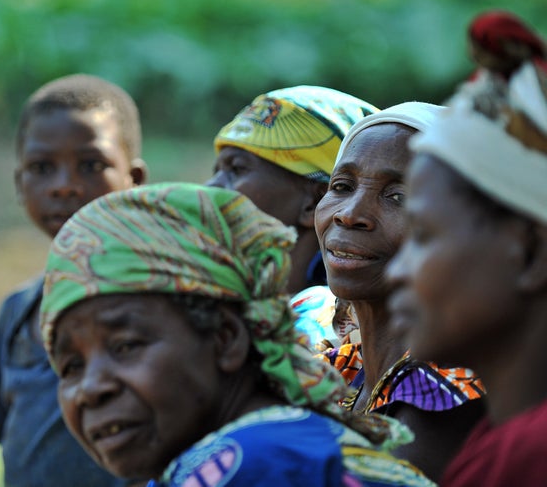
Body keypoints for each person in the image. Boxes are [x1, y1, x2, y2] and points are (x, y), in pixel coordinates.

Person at [38, 182, 436, 487]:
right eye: (70, 366)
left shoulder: (253, 461)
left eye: (125, 346)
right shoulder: (283, 445)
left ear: (226, 337)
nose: (91, 388)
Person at [386, 11, 547, 487]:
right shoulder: (500, 448)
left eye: (422, 236)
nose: (397, 271)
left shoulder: (529, 458)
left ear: (532, 254)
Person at [0, 74, 147, 487]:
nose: (64, 186)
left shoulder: (161, 305)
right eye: (41, 168)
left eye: (92, 165)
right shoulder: (18, 314)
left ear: (136, 180)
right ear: (19, 185)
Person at [313, 102, 486, 482]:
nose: (350, 213)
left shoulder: (446, 385)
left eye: (400, 197)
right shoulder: (343, 370)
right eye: (342, 186)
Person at [207, 85, 378, 294]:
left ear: (315, 201)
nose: (211, 186)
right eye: (217, 171)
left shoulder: (332, 323)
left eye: (237, 168)